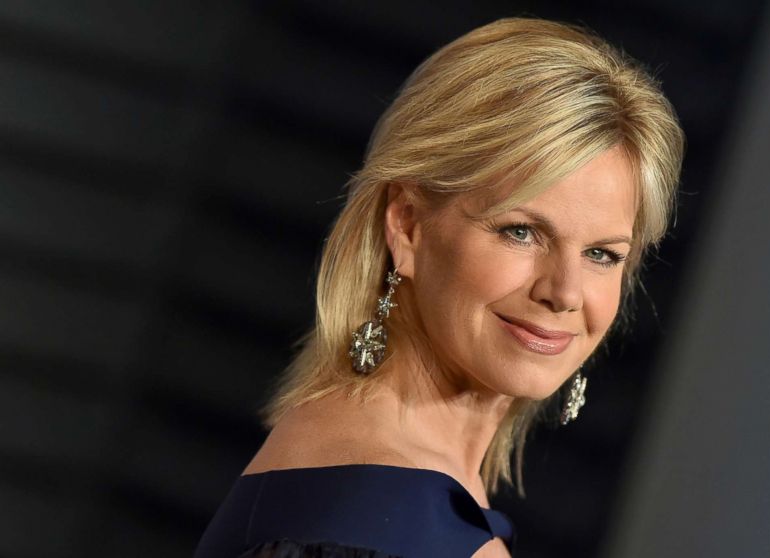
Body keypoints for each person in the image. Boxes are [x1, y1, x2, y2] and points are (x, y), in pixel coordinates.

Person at [195, 16, 683, 558]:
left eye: (601, 254)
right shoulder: (388, 514)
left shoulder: (361, 464)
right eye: (520, 232)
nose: (565, 292)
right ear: (407, 225)